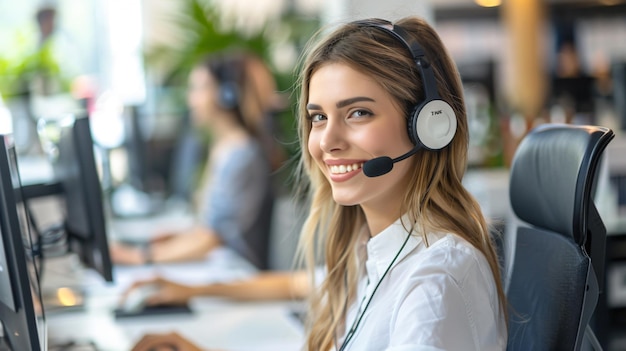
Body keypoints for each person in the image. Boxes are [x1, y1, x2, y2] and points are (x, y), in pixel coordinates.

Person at [129, 16, 508, 351]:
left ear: (428, 125)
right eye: (318, 117)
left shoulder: (435, 282)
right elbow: (306, 283)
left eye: (358, 113)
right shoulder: (372, 248)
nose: (327, 142)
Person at [110, 50, 278, 270]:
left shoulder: (241, 155)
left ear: (225, 94)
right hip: (221, 264)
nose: (191, 99)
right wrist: (178, 237)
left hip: (237, 271)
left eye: (198, 89)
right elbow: (210, 229)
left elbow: (212, 238)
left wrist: (138, 257)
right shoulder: (224, 147)